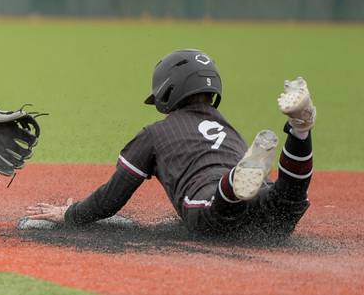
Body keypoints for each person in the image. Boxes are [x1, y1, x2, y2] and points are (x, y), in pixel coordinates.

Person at [26, 49, 316, 238]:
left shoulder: (155, 134)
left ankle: (232, 185)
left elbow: (111, 198)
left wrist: (71, 214)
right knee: (286, 201)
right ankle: (300, 132)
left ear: (169, 91)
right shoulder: (226, 126)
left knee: (220, 211)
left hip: (207, 201)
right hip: (262, 208)